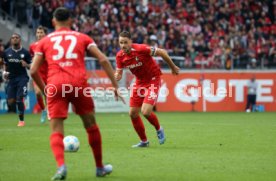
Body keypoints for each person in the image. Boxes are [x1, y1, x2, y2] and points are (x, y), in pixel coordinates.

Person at [30, 7, 123, 180]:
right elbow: (103, 59)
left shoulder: (44, 41)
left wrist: (45, 90)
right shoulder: (82, 37)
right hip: (78, 84)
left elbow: (34, 70)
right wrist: (116, 86)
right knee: (90, 125)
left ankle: (61, 167)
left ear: (53, 22)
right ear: (71, 21)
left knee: (56, 129)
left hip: (55, 84)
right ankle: (99, 168)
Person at [115, 31, 180, 148]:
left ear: (131, 41)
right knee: (133, 113)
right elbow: (118, 72)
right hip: (139, 82)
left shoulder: (141, 49)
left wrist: (173, 67)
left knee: (145, 111)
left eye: (125, 42)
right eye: (121, 43)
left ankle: (159, 129)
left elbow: (162, 52)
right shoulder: (120, 56)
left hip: (153, 80)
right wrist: (117, 76)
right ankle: (144, 141)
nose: (123, 45)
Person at [2, 33, 32, 126]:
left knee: (19, 99)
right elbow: (5, 64)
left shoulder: (25, 52)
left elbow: (31, 66)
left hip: (22, 78)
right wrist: (4, 72)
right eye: (13, 38)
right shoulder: (6, 52)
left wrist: (26, 65)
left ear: (20, 40)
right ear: (11, 40)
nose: (14, 39)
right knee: (10, 102)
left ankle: (21, 121)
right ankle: (20, 103)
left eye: (16, 38)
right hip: (12, 79)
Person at [29, 25, 48, 123]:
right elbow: (32, 59)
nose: (39, 34)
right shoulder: (32, 46)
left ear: (45, 34)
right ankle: (44, 110)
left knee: (48, 95)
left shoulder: (50, 45)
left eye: (41, 33)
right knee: (37, 93)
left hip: (48, 73)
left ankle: (51, 112)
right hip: (38, 74)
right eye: (38, 33)